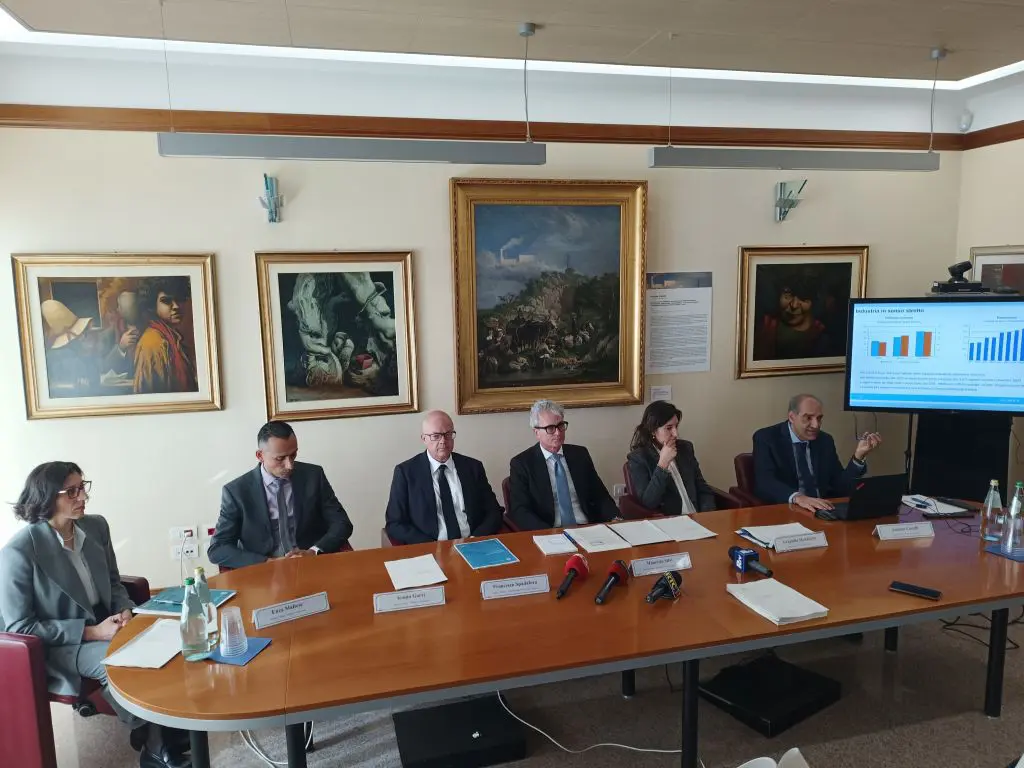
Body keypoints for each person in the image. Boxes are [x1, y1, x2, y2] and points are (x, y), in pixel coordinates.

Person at [0, 462, 191, 768]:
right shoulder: (19, 552)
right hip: (61, 645)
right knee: (118, 662)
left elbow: (114, 581)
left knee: (169, 639)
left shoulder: (96, 526)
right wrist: (91, 632)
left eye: (83, 487)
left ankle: (163, 727)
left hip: (104, 621)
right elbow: (20, 626)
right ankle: (155, 746)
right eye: (71, 491)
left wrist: (124, 609)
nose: (83, 496)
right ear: (47, 497)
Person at [208, 421, 354, 569]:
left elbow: (342, 523)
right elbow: (217, 548)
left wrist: (313, 551)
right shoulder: (236, 492)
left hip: (309, 564)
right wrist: (266, 563)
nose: (289, 465)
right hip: (264, 570)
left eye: (293, 455)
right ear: (260, 455)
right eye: (280, 458)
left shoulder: (313, 476)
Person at [385, 410, 503, 544]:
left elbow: (494, 511)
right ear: (424, 439)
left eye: (448, 435)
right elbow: (395, 523)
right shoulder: (406, 473)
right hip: (430, 546)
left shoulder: (472, 467)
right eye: (436, 436)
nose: (443, 441)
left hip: (472, 543)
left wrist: (476, 538)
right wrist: (431, 545)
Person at [753, 394, 882, 511]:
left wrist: (859, 456)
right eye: (808, 418)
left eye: (819, 418)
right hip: (788, 510)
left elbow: (840, 486)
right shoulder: (766, 438)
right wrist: (798, 498)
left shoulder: (825, 440)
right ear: (792, 417)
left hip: (823, 509)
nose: (816, 425)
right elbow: (765, 482)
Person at [508, 399, 618, 530]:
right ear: (536, 432)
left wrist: (616, 518)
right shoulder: (522, 464)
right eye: (550, 428)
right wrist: (547, 533)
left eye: (560, 425)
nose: (558, 433)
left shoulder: (580, 455)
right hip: (549, 530)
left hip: (587, 527)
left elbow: (600, 495)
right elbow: (520, 510)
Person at [626, 400, 716, 515]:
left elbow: (702, 488)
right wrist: (662, 464)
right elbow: (649, 502)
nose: (675, 434)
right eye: (669, 428)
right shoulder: (639, 458)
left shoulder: (685, 448)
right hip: (670, 521)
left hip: (697, 517)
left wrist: (708, 515)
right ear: (653, 430)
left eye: (676, 426)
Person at [134, 276, 198, 394]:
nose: (176, 306)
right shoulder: (152, 342)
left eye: (179, 299)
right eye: (167, 301)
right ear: (153, 305)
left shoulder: (172, 337)